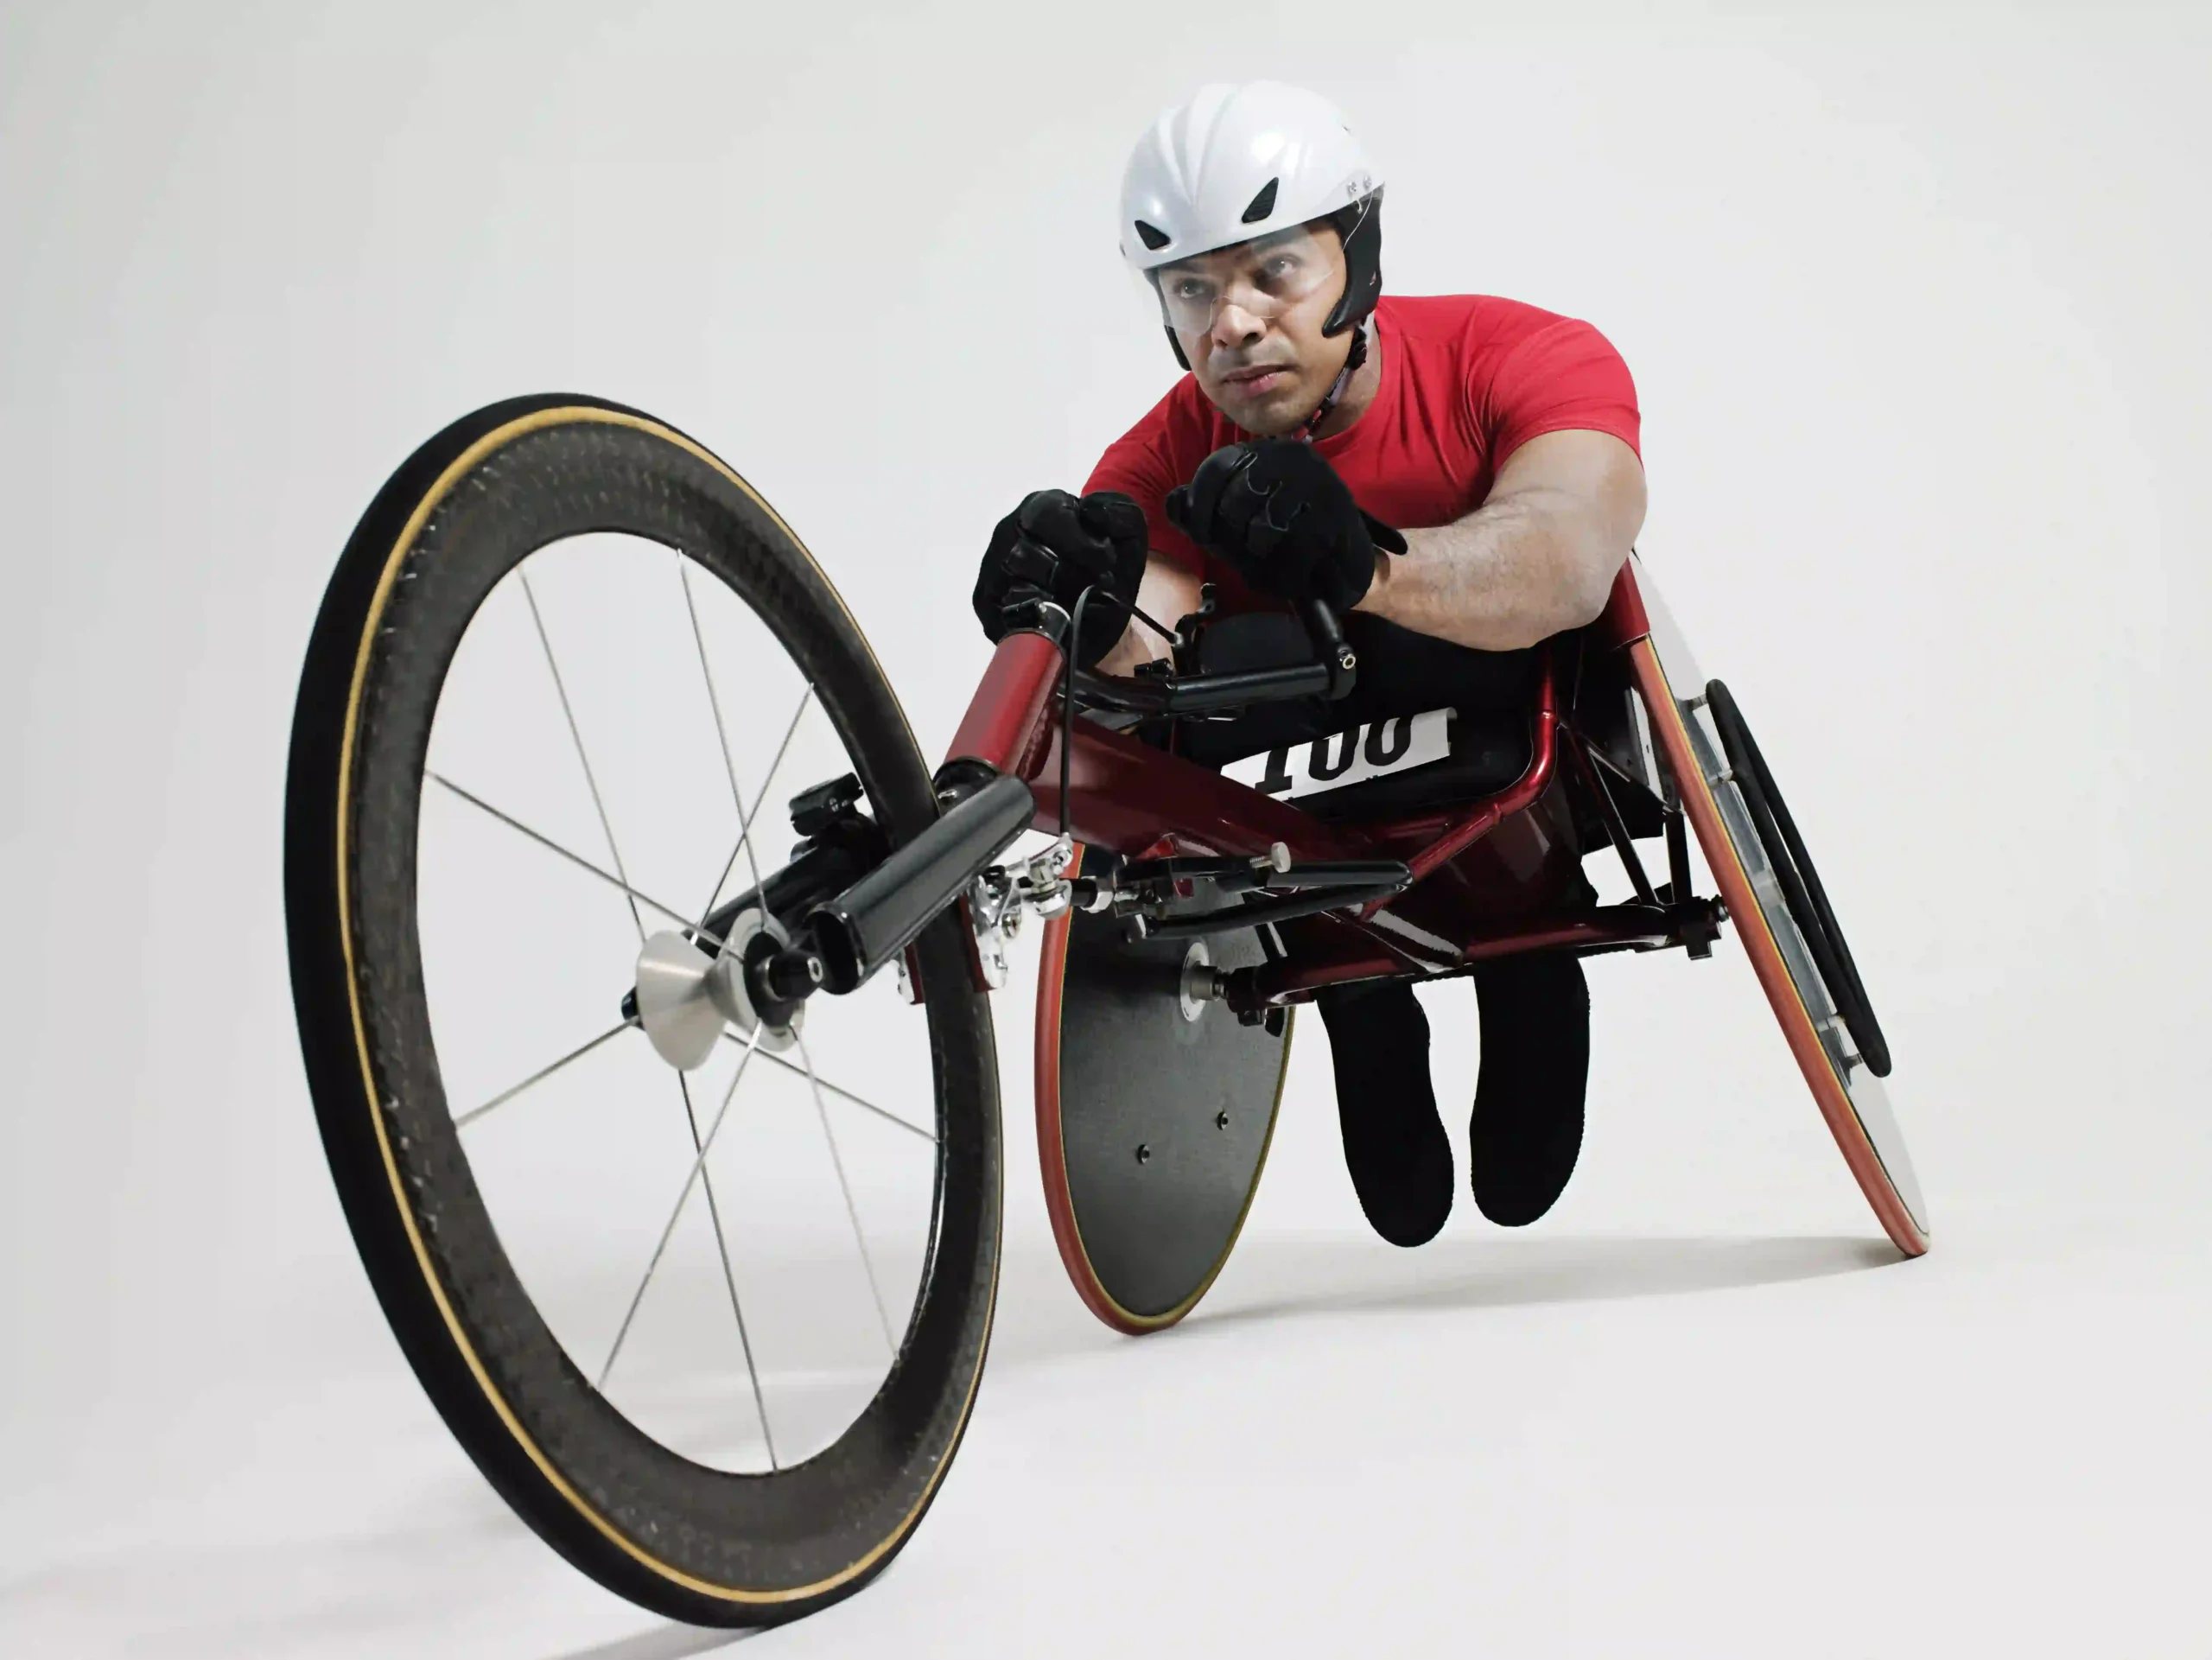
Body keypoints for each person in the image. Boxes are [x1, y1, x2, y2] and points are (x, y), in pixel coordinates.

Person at [971, 81, 1647, 1247]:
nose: (1230, 324)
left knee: (1461, 645)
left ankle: (1529, 980)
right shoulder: (1165, 449)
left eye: (1272, 272)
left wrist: (1366, 563)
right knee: (1217, 686)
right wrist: (1076, 618)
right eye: (1192, 290)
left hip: (1499, 743)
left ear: (1358, 257)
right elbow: (1155, 642)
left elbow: (1573, 551)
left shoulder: (1520, 354)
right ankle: (1359, 996)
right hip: (1305, 800)